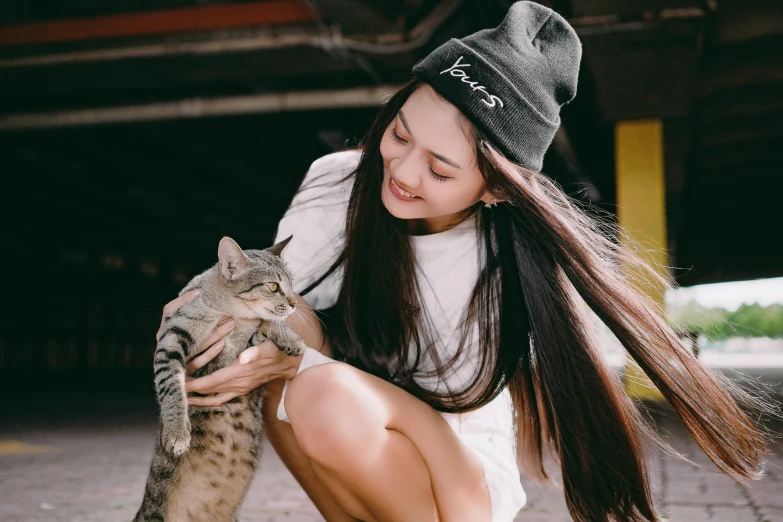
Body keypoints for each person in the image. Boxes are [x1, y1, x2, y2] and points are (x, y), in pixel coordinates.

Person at [159, 2, 772, 521]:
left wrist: (296, 364)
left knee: (318, 393)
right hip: (359, 428)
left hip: (458, 483)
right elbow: (293, 308)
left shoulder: (501, 266)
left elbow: (428, 421)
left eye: (440, 167)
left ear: (495, 188)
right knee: (282, 375)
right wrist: (216, 310)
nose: (399, 171)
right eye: (399, 134)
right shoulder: (338, 180)